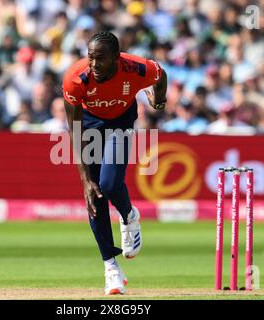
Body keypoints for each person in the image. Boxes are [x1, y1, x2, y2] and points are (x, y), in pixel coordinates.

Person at [62, 31, 167, 295]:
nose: (94, 65)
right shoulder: (76, 79)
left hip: (121, 122)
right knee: (95, 194)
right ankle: (111, 268)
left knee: (109, 183)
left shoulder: (135, 68)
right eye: (90, 58)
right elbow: (74, 131)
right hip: (89, 126)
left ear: (116, 59)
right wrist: (85, 179)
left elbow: (160, 74)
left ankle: (129, 215)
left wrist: (159, 99)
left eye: (101, 59)